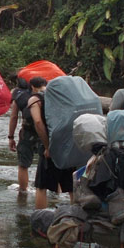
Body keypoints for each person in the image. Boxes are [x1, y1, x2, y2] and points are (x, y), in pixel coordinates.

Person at [24, 77, 74, 209]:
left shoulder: (36, 99)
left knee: (42, 186)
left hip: (51, 143)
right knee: (72, 185)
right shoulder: (64, 98)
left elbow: (38, 122)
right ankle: (77, 214)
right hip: (67, 143)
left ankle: (40, 216)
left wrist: (47, 146)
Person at [7, 75, 38, 194]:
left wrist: (11, 137)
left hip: (27, 132)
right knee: (50, 163)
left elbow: (14, 117)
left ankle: (23, 191)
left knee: (23, 165)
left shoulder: (18, 95)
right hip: (45, 132)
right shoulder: (45, 93)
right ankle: (56, 192)